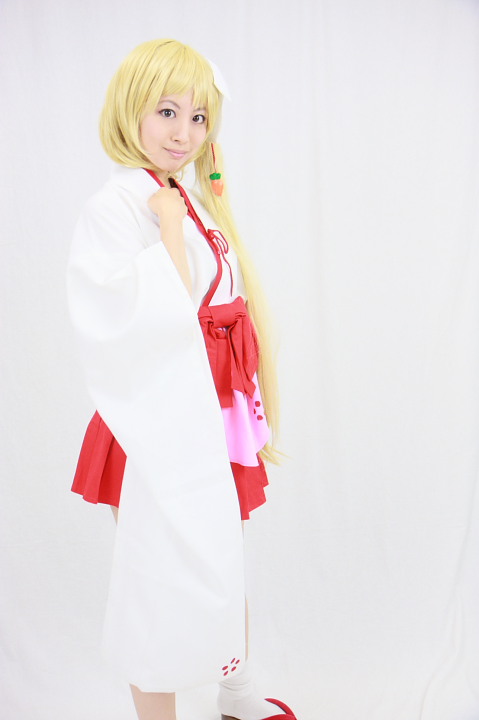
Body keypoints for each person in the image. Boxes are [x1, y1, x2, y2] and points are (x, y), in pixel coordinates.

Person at [67, 39, 296, 720]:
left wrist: (194, 203)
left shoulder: (181, 196)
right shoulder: (118, 204)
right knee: (156, 574)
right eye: (166, 111)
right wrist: (169, 228)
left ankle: (236, 692)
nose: (183, 133)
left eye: (198, 118)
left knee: (221, 555)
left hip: (214, 407)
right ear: (130, 107)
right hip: (157, 415)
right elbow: (134, 316)